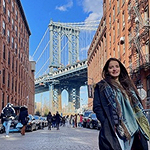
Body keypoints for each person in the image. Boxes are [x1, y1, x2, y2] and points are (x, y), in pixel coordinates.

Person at [93, 58, 150, 150]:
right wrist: (106, 122)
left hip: (134, 127)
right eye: (111, 67)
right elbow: (97, 107)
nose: (114, 69)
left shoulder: (128, 85)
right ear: (107, 71)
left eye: (117, 66)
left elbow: (136, 105)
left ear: (120, 68)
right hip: (115, 128)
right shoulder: (101, 86)